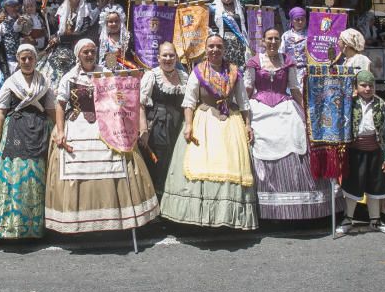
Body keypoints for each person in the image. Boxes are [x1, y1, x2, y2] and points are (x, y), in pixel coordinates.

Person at [44, 39, 159, 233]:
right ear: (78, 55)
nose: (89, 55)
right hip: (77, 124)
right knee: (77, 167)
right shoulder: (69, 77)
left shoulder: (106, 73)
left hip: (105, 123)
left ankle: (116, 215)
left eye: (92, 51)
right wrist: (60, 130)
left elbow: (120, 98)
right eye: (85, 52)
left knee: (115, 163)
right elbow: (60, 105)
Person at [160, 34, 257, 230]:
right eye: (211, 46)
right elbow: (189, 101)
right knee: (202, 161)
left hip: (230, 120)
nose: (215, 50)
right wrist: (188, 125)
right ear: (206, 49)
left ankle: (228, 217)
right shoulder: (198, 71)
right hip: (204, 118)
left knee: (229, 163)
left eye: (218, 46)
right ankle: (200, 216)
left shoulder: (233, 72)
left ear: (224, 49)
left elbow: (243, 101)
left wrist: (247, 124)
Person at [246, 28, 333, 220]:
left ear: (280, 41)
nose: (273, 42)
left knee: (295, 137)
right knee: (258, 143)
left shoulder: (288, 61)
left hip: (285, 106)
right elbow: (249, 88)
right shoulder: (254, 62)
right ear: (263, 41)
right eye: (269, 38)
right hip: (259, 106)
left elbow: (294, 88)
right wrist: (243, 113)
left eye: (276, 38)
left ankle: (299, 205)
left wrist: (306, 113)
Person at [0, 43, 56, 239]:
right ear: (18, 60)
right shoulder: (10, 83)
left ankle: (35, 229)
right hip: (15, 131)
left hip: (39, 132)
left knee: (37, 178)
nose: (27, 62)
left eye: (31, 58)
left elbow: (52, 110)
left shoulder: (44, 83)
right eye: (23, 59)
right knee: (14, 177)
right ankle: (12, 228)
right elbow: (0, 112)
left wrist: (57, 132)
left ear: (36, 60)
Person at [336, 70, 385, 236]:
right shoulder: (348, 104)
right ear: (356, 87)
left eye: (370, 86)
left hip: (375, 152)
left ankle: (375, 220)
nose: (367, 89)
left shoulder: (382, 106)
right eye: (363, 85)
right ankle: (348, 219)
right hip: (355, 152)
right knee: (352, 185)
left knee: (376, 186)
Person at [138, 42, 188, 195]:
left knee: (176, 163)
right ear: (158, 58)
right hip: (158, 126)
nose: (168, 58)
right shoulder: (151, 76)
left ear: (176, 58)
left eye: (171, 55)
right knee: (158, 163)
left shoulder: (184, 76)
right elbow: (140, 104)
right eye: (164, 55)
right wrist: (143, 129)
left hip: (178, 126)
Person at [40, 0, 94, 86]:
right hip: (59, 48)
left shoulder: (86, 12)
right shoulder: (62, 11)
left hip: (76, 50)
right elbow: (55, 29)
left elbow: (83, 32)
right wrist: (46, 15)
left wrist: (60, 38)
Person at [209, 0, 250, 68]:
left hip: (239, 47)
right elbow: (208, 29)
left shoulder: (241, 9)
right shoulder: (212, 9)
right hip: (221, 47)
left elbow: (246, 28)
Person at [97, 4, 131, 70]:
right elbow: (102, 58)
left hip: (126, 69)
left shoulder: (127, 37)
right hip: (109, 69)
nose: (114, 24)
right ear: (106, 24)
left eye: (116, 21)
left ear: (120, 22)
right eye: (111, 22)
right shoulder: (104, 39)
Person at [279, 7, 308, 80]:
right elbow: (281, 53)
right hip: (291, 71)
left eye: (302, 19)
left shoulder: (310, 35)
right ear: (291, 21)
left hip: (307, 71)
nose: (300, 22)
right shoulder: (286, 36)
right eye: (297, 20)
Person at [0, 0, 22, 72]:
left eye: (16, 6)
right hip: (7, 59)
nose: (14, 8)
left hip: (20, 57)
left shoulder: (22, 19)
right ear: (6, 8)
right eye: (11, 6)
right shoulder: (2, 22)